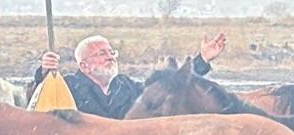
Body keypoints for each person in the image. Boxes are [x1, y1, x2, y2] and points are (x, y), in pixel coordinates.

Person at [33, 32, 227, 119]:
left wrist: (201, 60)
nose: (110, 57)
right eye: (102, 54)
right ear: (84, 65)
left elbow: (167, 89)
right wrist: (44, 72)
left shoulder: (127, 86)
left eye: (111, 52)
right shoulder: (67, 86)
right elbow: (41, 97)